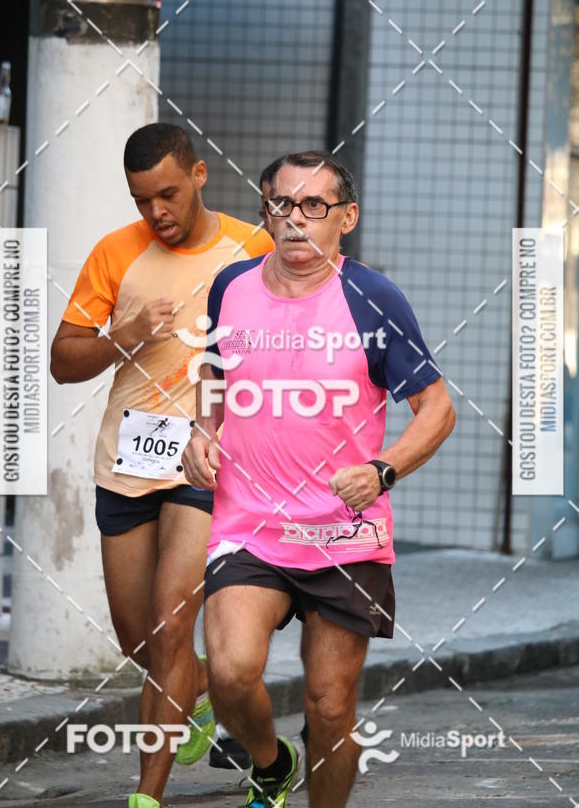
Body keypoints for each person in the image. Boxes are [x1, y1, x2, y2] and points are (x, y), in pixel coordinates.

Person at [182, 150, 456, 808]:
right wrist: (202, 431)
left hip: (343, 532)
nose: (296, 220)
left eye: (315, 207)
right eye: (282, 204)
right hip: (248, 523)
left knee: (330, 707)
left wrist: (384, 468)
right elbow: (215, 377)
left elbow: (438, 408)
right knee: (229, 671)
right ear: (264, 213)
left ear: (347, 218)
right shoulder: (232, 287)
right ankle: (273, 764)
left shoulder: (375, 299)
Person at [50, 123, 274, 808]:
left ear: (200, 174)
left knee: (173, 625)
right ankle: (195, 689)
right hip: (126, 458)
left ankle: (147, 794)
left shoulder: (251, 250)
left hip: (205, 462)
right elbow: (62, 362)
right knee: (137, 637)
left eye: (168, 195)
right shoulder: (115, 254)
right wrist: (125, 334)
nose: (158, 213)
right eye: (143, 200)